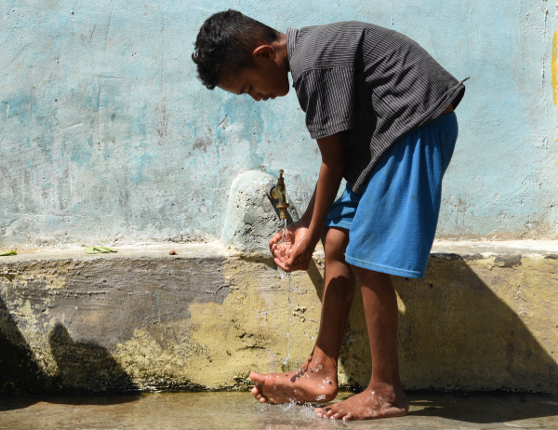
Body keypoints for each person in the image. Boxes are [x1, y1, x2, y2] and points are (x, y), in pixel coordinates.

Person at [192, 10, 465, 421]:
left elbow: (333, 161)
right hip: (388, 142)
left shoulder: (313, 64)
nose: (255, 97)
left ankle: (386, 391)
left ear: (264, 54)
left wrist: (305, 230)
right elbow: (336, 160)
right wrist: (308, 227)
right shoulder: (310, 56)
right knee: (337, 237)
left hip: (415, 129)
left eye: (249, 86)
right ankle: (320, 371)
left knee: (366, 255)